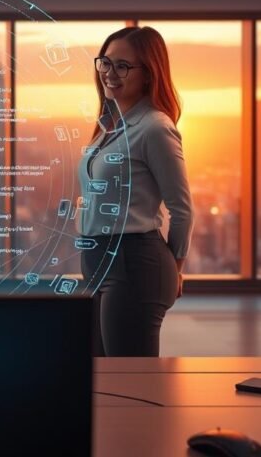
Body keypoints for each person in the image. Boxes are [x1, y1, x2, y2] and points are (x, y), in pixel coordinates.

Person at [79, 26, 193, 357]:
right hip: (101, 263)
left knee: (130, 382)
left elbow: (182, 209)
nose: (109, 74)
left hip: (134, 264)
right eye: (105, 63)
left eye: (123, 66)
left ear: (148, 74)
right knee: (101, 380)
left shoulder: (155, 128)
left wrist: (176, 268)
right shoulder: (111, 126)